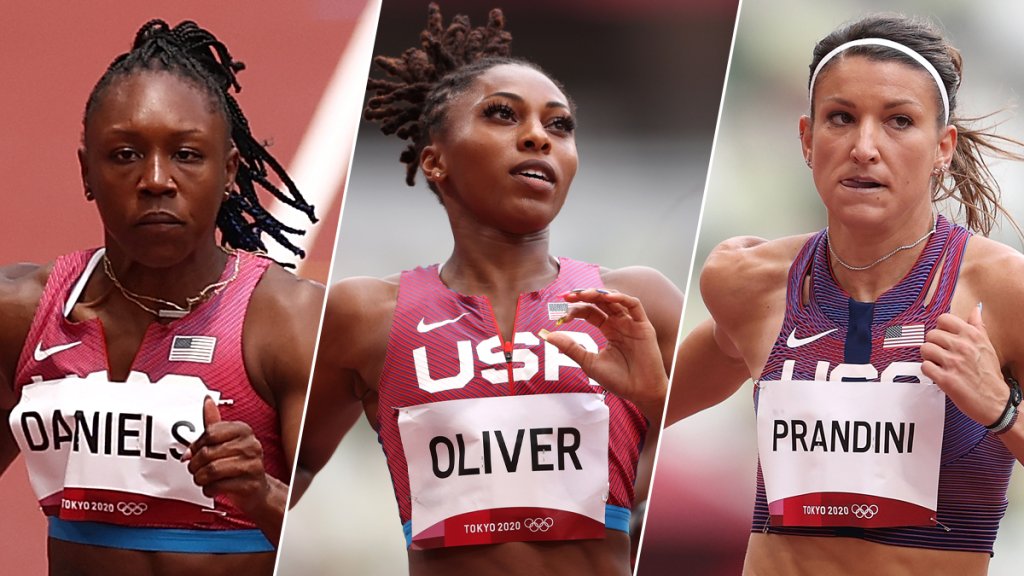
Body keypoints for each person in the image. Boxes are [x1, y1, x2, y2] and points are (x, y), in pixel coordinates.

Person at [295, 4, 681, 575]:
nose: (538, 138)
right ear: (436, 161)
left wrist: (653, 422)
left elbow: (710, 482)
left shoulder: (636, 306)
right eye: (502, 115)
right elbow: (279, 485)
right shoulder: (365, 316)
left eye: (560, 125)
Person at [659, 13, 1024, 576]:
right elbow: (638, 417)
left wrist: (1001, 411)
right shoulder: (749, 282)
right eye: (841, 118)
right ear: (807, 138)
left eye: (899, 121)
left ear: (942, 147)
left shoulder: (1000, 290)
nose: (864, 147)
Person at [0, 19, 322, 575]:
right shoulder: (22, 314)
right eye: (124, 155)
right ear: (86, 172)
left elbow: (347, 553)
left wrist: (264, 496)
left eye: (187, 155)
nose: (155, 179)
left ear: (228, 171)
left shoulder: (291, 324)